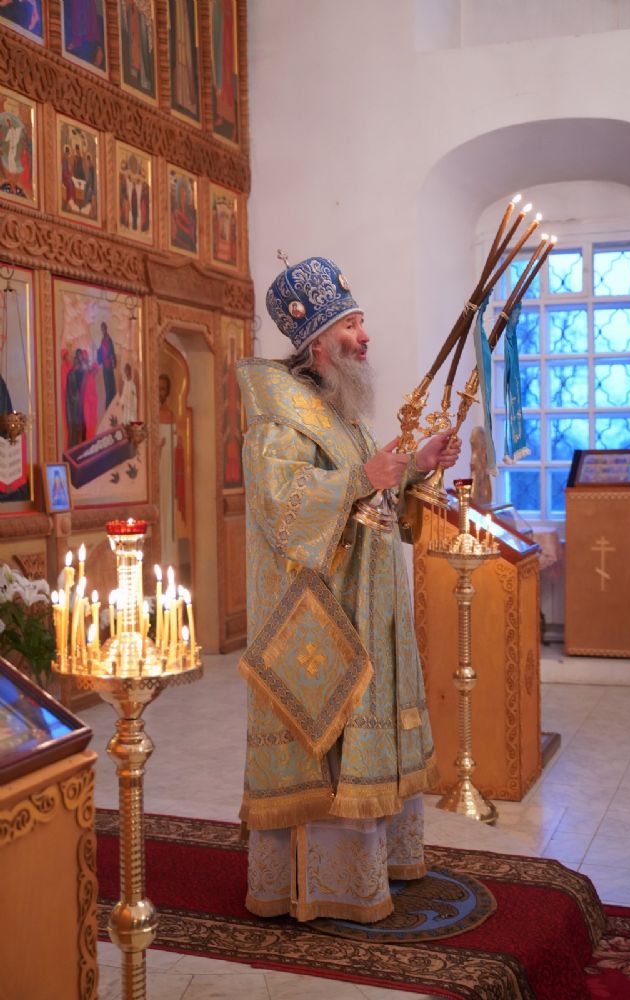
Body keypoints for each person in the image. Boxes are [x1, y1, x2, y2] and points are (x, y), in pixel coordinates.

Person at [236, 255, 461, 923]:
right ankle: (322, 885)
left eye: (360, 324)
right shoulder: (279, 416)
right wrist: (365, 476)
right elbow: (280, 505)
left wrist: (414, 465)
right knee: (325, 735)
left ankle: (376, 864)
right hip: (317, 614)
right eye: (351, 326)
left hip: (365, 602)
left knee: (364, 725)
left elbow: (370, 486)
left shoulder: (338, 409)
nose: (365, 338)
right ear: (317, 341)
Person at [97, 322, 117, 409]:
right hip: (105, 367)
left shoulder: (109, 340)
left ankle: (111, 405)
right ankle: (108, 406)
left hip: (109, 366)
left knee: (110, 386)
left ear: (106, 328)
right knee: (107, 386)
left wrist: (112, 360)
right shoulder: (102, 340)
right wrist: (98, 352)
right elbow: (101, 354)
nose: (103, 330)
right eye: (102, 329)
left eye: (104, 328)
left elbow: (112, 353)